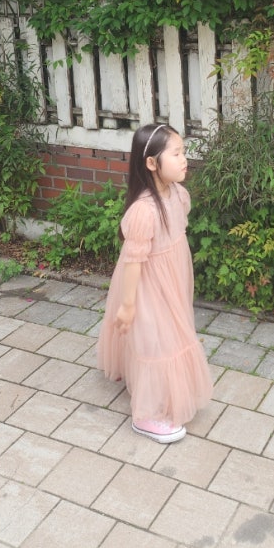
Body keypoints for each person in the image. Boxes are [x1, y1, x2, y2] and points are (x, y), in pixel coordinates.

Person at [97, 122, 213, 443]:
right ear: (151, 163)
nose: (184, 159)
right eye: (176, 154)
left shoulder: (179, 195)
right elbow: (133, 262)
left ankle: (136, 374)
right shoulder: (144, 211)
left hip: (171, 276)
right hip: (146, 283)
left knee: (169, 330)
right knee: (154, 337)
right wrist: (128, 304)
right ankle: (146, 415)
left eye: (183, 152)